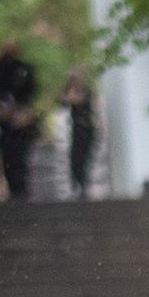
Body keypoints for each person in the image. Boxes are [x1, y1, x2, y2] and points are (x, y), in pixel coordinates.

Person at [0, 42, 39, 200]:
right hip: (5, 121)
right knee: (8, 155)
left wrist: (21, 109)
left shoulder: (23, 69)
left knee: (20, 154)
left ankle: (20, 188)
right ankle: (14, 188)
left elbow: (31, 92)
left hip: (20, 121)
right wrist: (0, 106)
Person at [60, 70, 98, 200]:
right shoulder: (71, 90)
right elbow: (63, 101)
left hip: (86, 128)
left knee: (84, 157)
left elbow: (77, 100)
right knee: (75, 158)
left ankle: (83, 186)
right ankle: (77, 185)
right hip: (77, 128)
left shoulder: (86, 91)